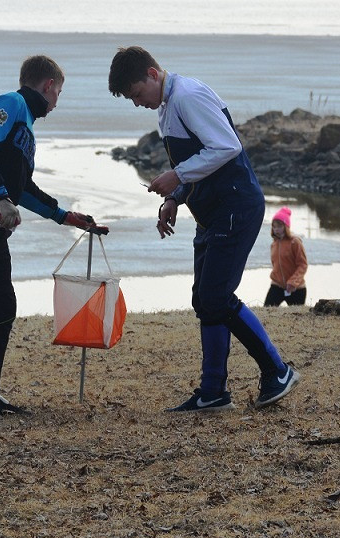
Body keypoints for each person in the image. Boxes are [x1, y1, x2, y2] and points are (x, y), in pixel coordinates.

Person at [108, 45, 299, 412]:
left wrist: (176, 175)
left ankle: (278, 370)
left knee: (215, 298)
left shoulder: (188, 96)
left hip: (236, 207)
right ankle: (213, 392)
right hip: (212, 213)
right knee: (205, 301)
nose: (136, 103)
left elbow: (227, 146)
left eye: (136, 94)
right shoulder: (167, 106)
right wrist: (175, 197)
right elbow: (198, 161)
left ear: (152, 74)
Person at [0, 55, 106, 422]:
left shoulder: (26, 126)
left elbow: (22, 188)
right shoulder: (9, 104)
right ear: (47, 86)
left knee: (1, 307)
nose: (57, 100)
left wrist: (64, 216)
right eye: (58, 92)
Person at [264, 206, 308, 307]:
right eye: (274, 226)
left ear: (286, 226)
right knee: (267, 311)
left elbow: (303, 265)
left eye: (279, 226)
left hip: (297, 288)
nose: (276, 229)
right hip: (277, 286)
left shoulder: (295, 242)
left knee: (297, 319)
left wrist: (293, 282)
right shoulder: (273, 244)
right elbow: (275, 265)